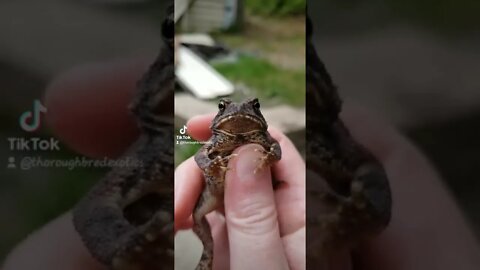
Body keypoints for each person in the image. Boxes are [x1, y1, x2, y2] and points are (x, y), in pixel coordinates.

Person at [3, 59, 479, 270]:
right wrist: (132, 249)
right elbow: (100, 209)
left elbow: (372, 181)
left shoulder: (323, 138)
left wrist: (348, 225)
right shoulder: (174, 139)